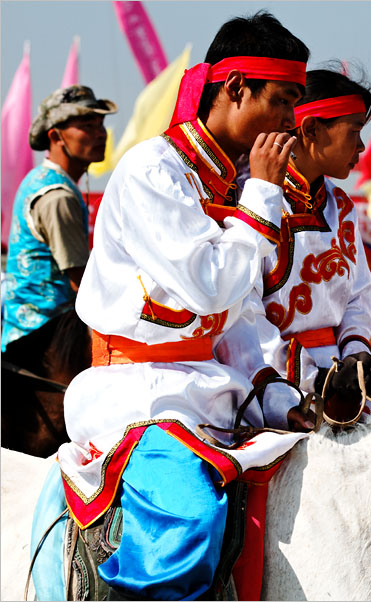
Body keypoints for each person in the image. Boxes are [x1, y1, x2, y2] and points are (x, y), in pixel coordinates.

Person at [55, 12, 312, 599]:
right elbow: (209, 287)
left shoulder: (228, 182)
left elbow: (242, 317)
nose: (290, 122)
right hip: (139, 391)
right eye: (282, 101)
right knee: (188, 520)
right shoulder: (154, 170)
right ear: (236, 89)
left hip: (211, 384)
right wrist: (266, 194)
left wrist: (274, 397)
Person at [260, 67, 371, 418]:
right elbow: (246, 316)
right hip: (274, 385)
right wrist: (313, 379)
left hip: (341, 380)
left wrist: (357, 353)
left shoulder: (341, 205)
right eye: (355, 130)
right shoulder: (258, 199)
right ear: (311, 128)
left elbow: (358, 295)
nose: (360, 146)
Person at [1, 85, 116, 378]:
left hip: (28, 328)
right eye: (87, 126)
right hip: (45, 336)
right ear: (56, 136)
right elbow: (81, 280)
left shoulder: (39, 179)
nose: (100, 133)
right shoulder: (58, 195)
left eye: (101, 124)